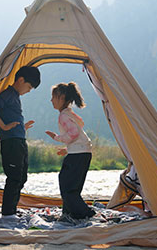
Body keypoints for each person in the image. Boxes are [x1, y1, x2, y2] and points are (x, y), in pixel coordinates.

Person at [0, 66, 41, 220]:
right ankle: (8, 213)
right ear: (21, 80)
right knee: (14, 177)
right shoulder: (9, 94)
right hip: (11, 143)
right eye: (29, 87)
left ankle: (11, 209)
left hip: (19, 141)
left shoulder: (15, 96)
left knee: (22, 177)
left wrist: (22, 128)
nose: (29, 90)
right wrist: (3, 126)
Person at [45, 82, 95, 221]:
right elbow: (80, 129)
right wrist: (68, 149)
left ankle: (85, 213)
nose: (51, 100)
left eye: (53, 97)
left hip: (78, 154)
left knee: (67, 185)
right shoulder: (69, 113)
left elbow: (73, 133)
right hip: (82, 153)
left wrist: (57, 137)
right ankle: (69, 213)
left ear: (62, 98)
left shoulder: (63, 116)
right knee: (71, 185)